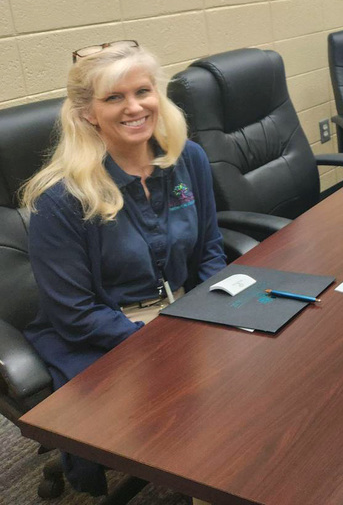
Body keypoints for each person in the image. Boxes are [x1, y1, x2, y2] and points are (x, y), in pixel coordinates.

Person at [20, 40, 226, 495]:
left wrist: (221, 309)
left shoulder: (186, 158)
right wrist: (160, 344)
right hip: (104, 334)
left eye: (143, 91)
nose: (134, 107)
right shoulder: (61, 199)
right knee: (205, 436)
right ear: (87, 113)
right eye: (114, 97)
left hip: (183, 309)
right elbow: (74, 313)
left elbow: (209, 246)